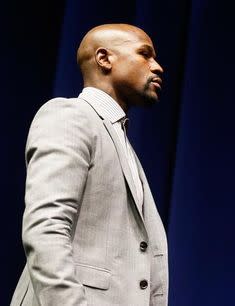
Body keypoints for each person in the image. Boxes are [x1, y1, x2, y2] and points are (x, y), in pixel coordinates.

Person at [11, 24, 168, 306]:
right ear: (104, 59)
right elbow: (46, 227)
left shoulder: (121, 141)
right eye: (145, 54)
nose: (157, 67)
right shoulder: (71, 116)